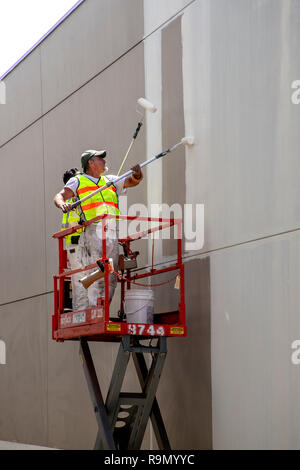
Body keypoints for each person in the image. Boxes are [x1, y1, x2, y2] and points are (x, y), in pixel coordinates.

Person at [54, 149, 143, 307]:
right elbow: (60, 196)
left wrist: (137, 174)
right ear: (90, 163)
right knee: (96, 271)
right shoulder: (78, 180)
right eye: (100, 158)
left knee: (112, 272)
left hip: (111, 232)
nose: (104, 161)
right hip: (92, 231)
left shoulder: (110, 180)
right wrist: (63, 204)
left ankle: (103, 309)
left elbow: (132, 181)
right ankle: (93, 309)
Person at [60, 168, 87, 311]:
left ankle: (82, 310)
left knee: (82, 277)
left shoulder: (71, 200)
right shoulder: (73, 200)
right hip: (76, 244)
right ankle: (82, 312)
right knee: (81, 278)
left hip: (77, 244)